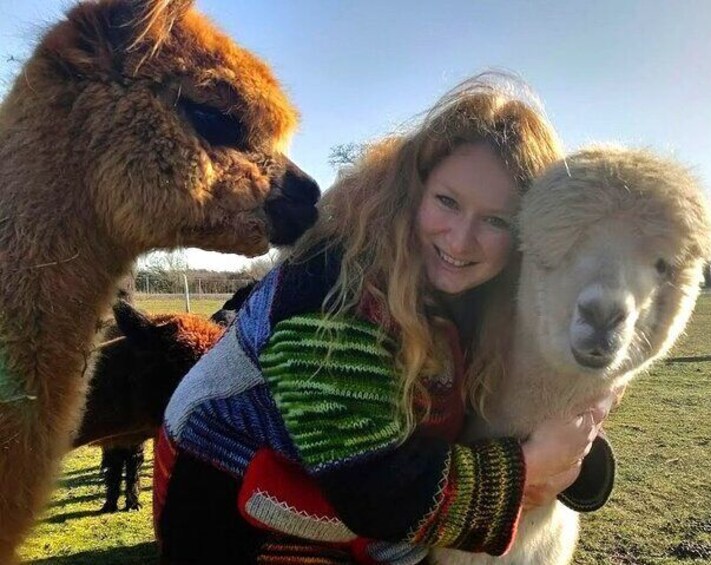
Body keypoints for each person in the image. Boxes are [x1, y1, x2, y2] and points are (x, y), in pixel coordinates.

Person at [153, 73, 617, 564]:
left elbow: (503, 405)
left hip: (362, 528)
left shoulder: (475, 294)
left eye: (497, 220)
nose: (461, 241)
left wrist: (577, 448)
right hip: (232, 514)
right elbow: (371, 482)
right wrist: (528, 468)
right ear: (415, 187)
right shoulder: (332, 280)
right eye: (447, 201)